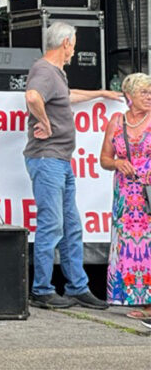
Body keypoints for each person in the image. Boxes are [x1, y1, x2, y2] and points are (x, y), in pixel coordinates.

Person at [24, 21, 122, 309]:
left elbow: (66, 97)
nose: (74, 52)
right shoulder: (44, 70)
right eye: (74, 46)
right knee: (52, 224)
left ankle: (77, 286)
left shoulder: (55, 73)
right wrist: (44, 122)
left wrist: (100, 93)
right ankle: (42, 289)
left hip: (59, 160)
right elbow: (32, 96)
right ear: (66, 43)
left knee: (71, 226)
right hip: (47, 158)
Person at [99, 72, 151, 318]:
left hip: (148, 193)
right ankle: (138, 299)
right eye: (144, 92)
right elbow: (104, 159)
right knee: (129, 247)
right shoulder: (117, 121)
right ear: (129, 96)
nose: (149, 97)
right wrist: (117, 163)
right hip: (125, 196)